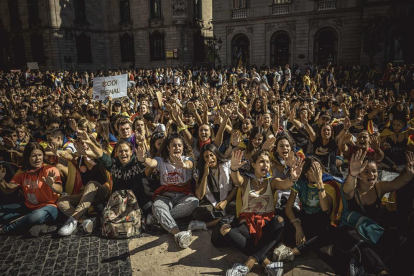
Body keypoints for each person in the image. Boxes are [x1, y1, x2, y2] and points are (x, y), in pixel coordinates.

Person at [224, 150, 304, 276]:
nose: (265, 164)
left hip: (267, 228)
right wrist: (233, 169)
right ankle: (266, 263)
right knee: (225, 230)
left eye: (267, 162)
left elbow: (284, 184)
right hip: (247, 226)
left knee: (279, 221)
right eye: (261, 161)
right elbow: (237, 180)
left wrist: (292, 178)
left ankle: (247, 265)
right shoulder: (246, 181)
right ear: (253, 165)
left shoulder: (272, 182)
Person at [136, 133, 199, 249]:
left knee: (194, 202)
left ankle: (157, 217)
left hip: (183, 195)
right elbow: (151, 163)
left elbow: (189, 165)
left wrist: (183, 165)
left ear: (183, 148)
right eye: (174, 146)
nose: (177, 148)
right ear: (168, 148)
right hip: (166, 196)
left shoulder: (187, 159)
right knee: (157, 206)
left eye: (179, 145)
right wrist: (143, 159)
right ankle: (177, 233)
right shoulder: (161, 161)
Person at [0, 142, 62, 235]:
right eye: (34, 156)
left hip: (49, 207)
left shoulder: (50, 169)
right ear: (27, 157)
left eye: (40, 155)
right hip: (28, 206)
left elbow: (60, 189)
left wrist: (52, 185)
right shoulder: (22, 172)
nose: (37, 159)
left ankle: (7, 228)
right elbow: (8, 190)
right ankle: (27, 222)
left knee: (36, 216)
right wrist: (1, 180)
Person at [191, 143, 237, 230]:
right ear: (203, 159)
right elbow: (200, 196)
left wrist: (225, 202)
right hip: (213, 200)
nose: (210, 159)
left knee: (237, 211)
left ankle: (205, 225)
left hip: (228, 198)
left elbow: (236, 186)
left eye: (211, 155)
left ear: (216, 154)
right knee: (196, 213)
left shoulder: (227, 164)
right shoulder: (200, 170)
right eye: (206, 157)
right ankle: (222, 220)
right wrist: (205, 174)